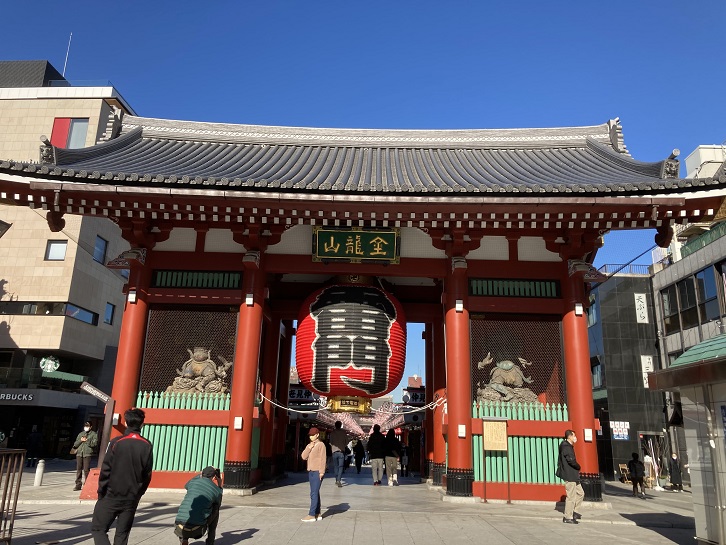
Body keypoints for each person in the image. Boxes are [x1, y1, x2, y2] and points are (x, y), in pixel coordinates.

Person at [91, 408, 153, 545]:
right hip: (131, 497)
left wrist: (101, 491)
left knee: (98, 529)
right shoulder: (147, 445)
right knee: (122, 534)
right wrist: (139, 493)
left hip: (111, 494)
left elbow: (106, 469)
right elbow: (147, 474)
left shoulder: (116, 442)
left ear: (126, 423)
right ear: (142, 424)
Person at [174, 466, 223, 545]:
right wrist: (220, 484)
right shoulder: (216, 489)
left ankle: (184, 539)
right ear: (214, 477)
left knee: (187, 507)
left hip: (179, 528)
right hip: (197, 530)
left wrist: (199, 475)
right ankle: (210, 542)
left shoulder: (193, 482)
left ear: (201, 474)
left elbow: (186, 486)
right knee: (216, 508)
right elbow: (218, 503)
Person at [557, 429, 584, 524]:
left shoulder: (568, 446)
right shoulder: (566, 447)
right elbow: (571, 460)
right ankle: (568, 516)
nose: (575, 438)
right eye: (574, 436)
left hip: (574, 475)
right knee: (571, 496)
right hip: (569, 474)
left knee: (580, 493)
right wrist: (578, 466)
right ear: (570, 436)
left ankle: (575, 511)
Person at [300, 427, 326, 522]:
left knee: (313, 493)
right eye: (310, 435)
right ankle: (317, 513)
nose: (311, 437)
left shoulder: (321, 445)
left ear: (317, 435)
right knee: (315, 492)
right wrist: (309, 447)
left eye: (313, 435)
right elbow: (303, 456)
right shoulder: (309, 445)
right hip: (310, 471)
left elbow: (323, 459)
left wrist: (322, 472)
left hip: (317, 471)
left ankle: (311, 514)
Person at [74, 421, 99, 490]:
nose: (86, 427)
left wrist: (87, 440)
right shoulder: (81, 434)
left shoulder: (94, 434)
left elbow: (94, 444)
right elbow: (75, 444)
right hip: (79, 453)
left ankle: (87, 484)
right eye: (85, 426)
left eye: (87, 426)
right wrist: (81, 440)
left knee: (86, 469)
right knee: (79, 469)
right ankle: (78, 484)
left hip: (87, 453)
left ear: (91, 427)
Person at [328, 420, 348, 487]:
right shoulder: (343, 433)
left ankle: (336, 479)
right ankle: (339, 480)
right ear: (341, 425)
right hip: (341, 451)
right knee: (341, 466)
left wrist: (333, 447)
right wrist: (343, 445)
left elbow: (330, 442)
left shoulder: (332, 433)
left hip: (334, 451)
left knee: (335, 466)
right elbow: (347, 442)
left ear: (335, 425)